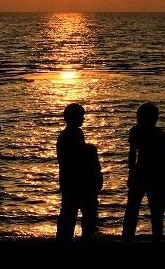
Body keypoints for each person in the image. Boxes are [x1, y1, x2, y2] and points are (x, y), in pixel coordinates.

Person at [121, 103, 165, 241]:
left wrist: (131, 174)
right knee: (156, 212)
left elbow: (132, 155)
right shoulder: (162, 136)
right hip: (155, 175)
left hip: (141, 173)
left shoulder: (136, 131)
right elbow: (163, 161)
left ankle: (127, 239)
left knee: (133, 210)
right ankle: (156, 239)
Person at [56, 103, 103, 241]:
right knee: (78, 213)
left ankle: (66, 239)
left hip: (70, 181)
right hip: (76, 181)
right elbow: (75, 158)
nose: (83, 118)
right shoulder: (71, 134)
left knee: (70, 213)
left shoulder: (71, 134)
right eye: (81, 116)